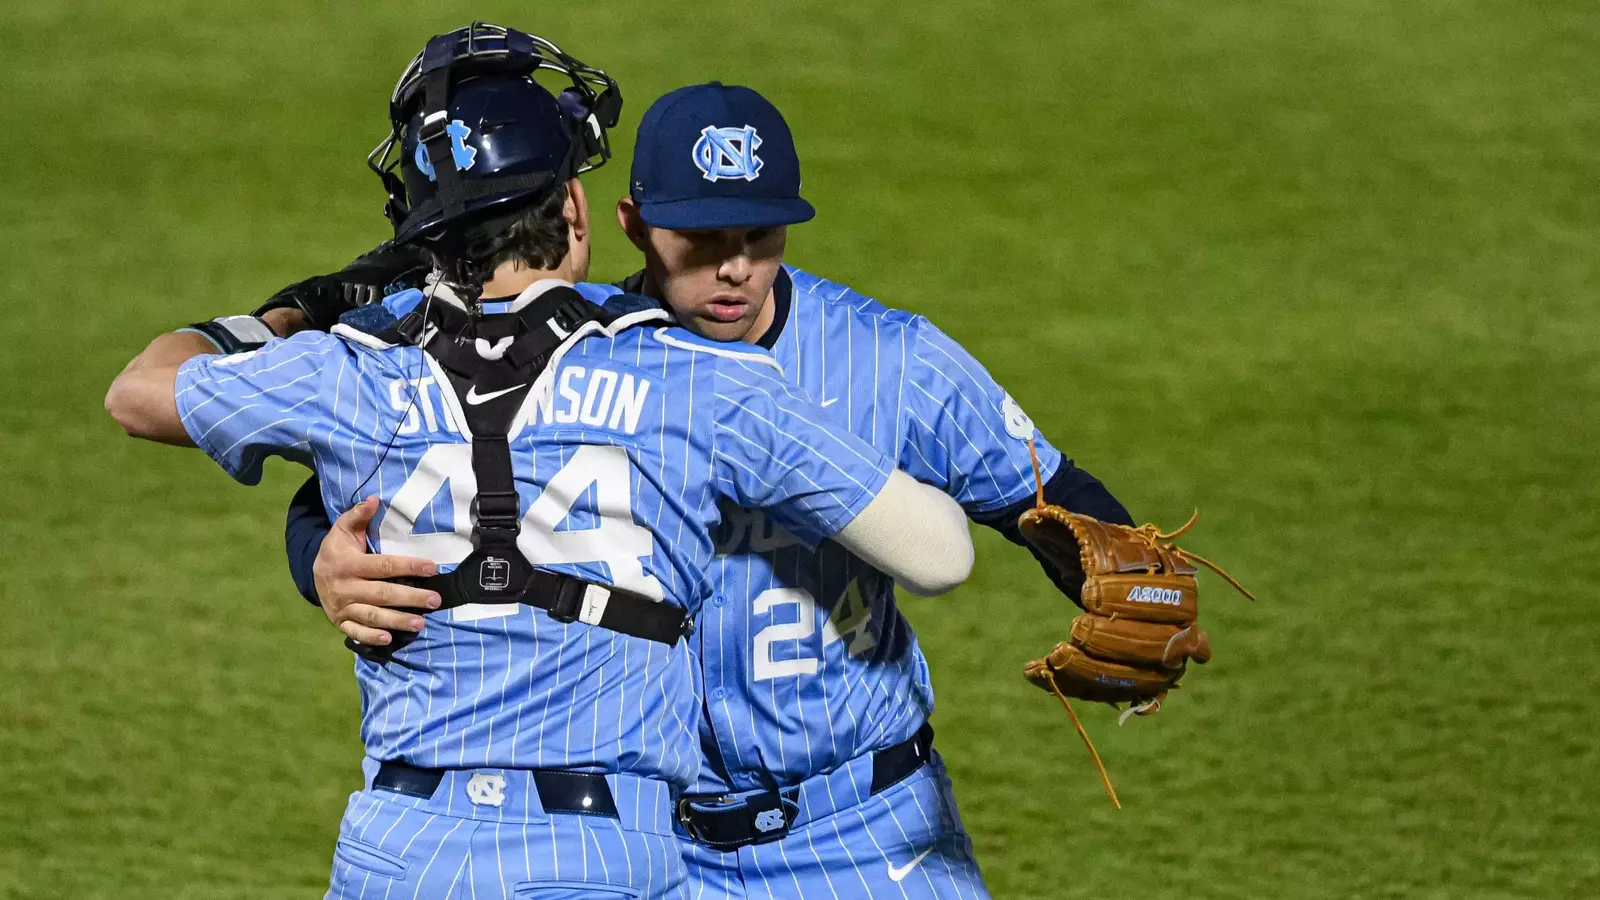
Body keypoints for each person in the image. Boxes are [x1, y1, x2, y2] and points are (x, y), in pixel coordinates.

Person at [103, 28, 974, 900]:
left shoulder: (348, 372)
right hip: (596, 861)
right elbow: (942, 555)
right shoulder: (693, 381)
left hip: (395, 855)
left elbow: (138, 391)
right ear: (577, 212)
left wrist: (307, 307)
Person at [282, 82, 1134, 898]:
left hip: (865, 830)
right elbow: (357, 487)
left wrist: (1123, 581)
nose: (735, 269)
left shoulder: (889, 358)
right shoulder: (556, 355)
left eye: (761, 237)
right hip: (649, 852)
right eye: (702, 239)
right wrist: (319, 563)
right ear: (635, 226)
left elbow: (1043, 490)